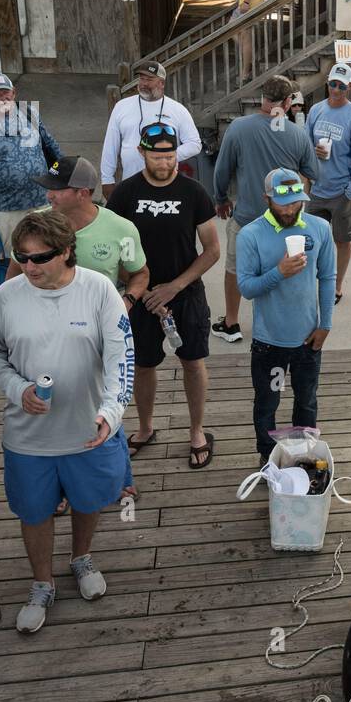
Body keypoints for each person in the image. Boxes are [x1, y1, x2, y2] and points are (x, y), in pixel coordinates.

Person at [0, 209, 134, 634]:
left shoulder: (100, 290)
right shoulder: (5, 295)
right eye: (22, 257)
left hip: (88, 430)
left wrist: (110, 413)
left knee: (89, 500)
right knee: (34, 512)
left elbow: (122, 360)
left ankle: (81, 557)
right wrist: (19, 390)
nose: (29, 266)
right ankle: (42, 582)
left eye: (40, 257)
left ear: (68, 252)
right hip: (28, 436)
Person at [5, 155, 147, 509]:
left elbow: (140, 273)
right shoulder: (33, 226)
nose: (49, 196)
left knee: (104, 405)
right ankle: (61, 485)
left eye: (57, 188)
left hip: (99, 333)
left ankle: (118, 480)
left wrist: (125, 303)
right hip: (47, 335)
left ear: (83, 192)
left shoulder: (121, 229)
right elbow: (13, 276)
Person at [107, 122, 219, 469]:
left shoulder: (194, 192)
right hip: (141, 296)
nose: (165, 162)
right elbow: (114, 249)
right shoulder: (124, 194)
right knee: (143, 364)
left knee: (193, 361)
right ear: (141, 152)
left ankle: (197, 431)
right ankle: (144, 428)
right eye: (157, 156)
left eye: (170, 155)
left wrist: (175, 286)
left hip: (185, 292)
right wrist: (139, 287)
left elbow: (212, 249)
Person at [236, 168, 335, 466]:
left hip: (307, 340)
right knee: (268, 403)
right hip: (269, 343)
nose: (290, 209)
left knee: (306, 401)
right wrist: (279, 273)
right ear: (267, 198)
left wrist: (325, 324)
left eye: (296, 202)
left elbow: (328, 277)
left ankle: (303, 456)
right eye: (283, 204)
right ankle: (268, 458)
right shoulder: (250, 234)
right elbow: (247, 288)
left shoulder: (319, 228)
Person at [212, 74, 318, 341]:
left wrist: (221, 197)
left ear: (262, 97)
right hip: (285, 219)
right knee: (286, 271)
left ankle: (232, 323)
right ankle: (284, 325)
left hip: (247, 218)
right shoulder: (298, 134)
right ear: (286, 101)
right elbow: (313, 172)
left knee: (235, 268)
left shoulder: (238, 128)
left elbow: (222, 170)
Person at [305, 64, 351, 305]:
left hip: (343, 192)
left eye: (342, 86)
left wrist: (350, 192)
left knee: (342, 241)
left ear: (349, 87)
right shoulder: (315, 111)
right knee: (312, 241)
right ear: (328, 83)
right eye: (333, 84)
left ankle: (337, 287)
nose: (336, 89)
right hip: (316, 190)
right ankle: (312, 282)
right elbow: (303, 145)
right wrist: (313, 152)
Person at [101, 62, 200, 196]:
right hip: (130, 183)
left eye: (150, 79)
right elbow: (110, 145)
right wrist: (107, 179)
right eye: (142, 78)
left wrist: (165, 155)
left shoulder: (178, 109)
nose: (144, 83)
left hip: (166, 184)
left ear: (161, 83)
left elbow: (194, 144)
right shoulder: (121, 106)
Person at [0, 73, 62, 250]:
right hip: (7, 206)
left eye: (5, 92)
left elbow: (50, 145)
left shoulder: (29, 112)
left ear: (14, 92)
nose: (2, 98)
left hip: (41, 198)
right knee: (13, 254)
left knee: (48, 246)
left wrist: (62, 173)